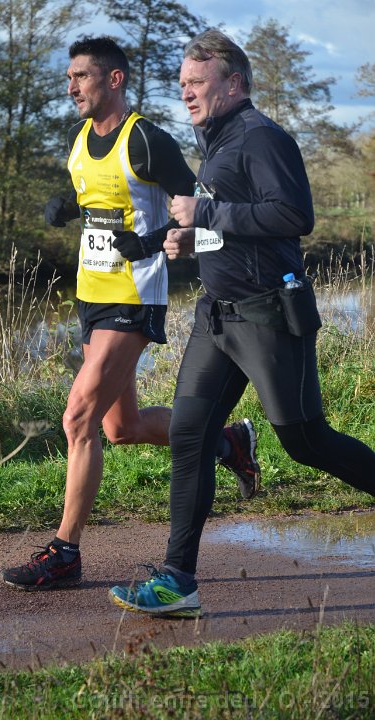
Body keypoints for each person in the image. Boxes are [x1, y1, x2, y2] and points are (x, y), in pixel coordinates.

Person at [109, 28, 375, 618]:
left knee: (306, 442)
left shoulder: (261, 137)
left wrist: (204, 210)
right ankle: (178, 581)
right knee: (189, 436)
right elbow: (232, 228)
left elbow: (293, 215)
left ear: (233, 83)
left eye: (196, 82)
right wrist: (177, 239)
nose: (186, 92)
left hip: (268, 314)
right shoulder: (216, 140)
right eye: (182, 83)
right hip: (217, 316)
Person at [2, 36, 260, 592]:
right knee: (121, 428)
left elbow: (198, 206)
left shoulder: (146, 139)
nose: (71, 87)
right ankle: (228, 442)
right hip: (90, 295)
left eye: (81, 77)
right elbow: (100, 198)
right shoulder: (78, 138)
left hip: (133, 295)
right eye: (69, 78)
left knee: (78, 418)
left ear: (114, 79)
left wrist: (151, 242)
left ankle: (65, 552)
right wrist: (66, 207)